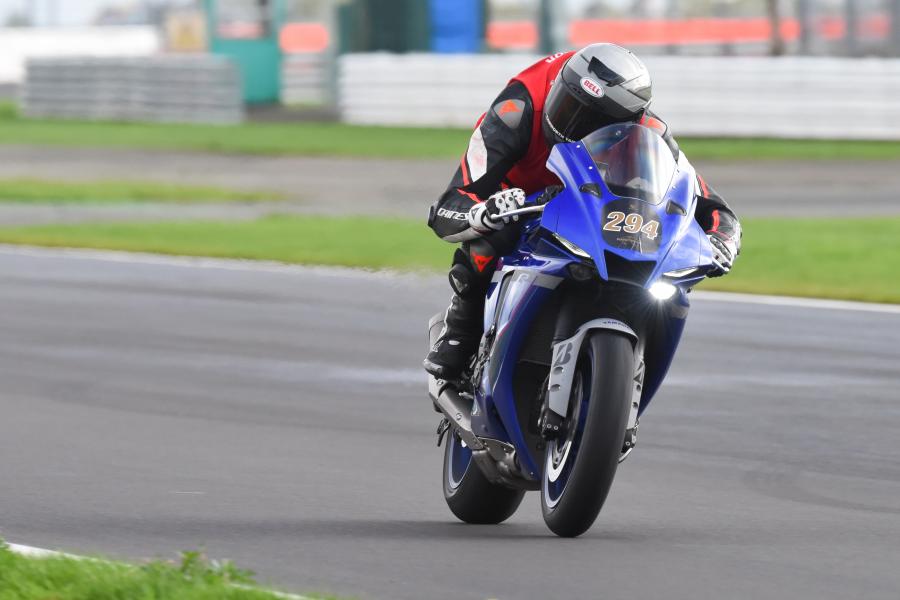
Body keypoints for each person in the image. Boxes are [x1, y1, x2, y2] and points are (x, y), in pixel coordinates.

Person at [423, 43, 742, 380]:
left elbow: (710, 205)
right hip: (519, 197)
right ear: (558, 86)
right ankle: (461, 329)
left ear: (629, 123)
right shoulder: (517, 108)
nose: (570, 129)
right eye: (566, 108)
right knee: (488, 241)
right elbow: (449, 204)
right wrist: (481, 213)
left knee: (666, 283)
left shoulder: (652, 133)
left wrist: (722, 241)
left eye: (593, 125)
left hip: (591, 205)